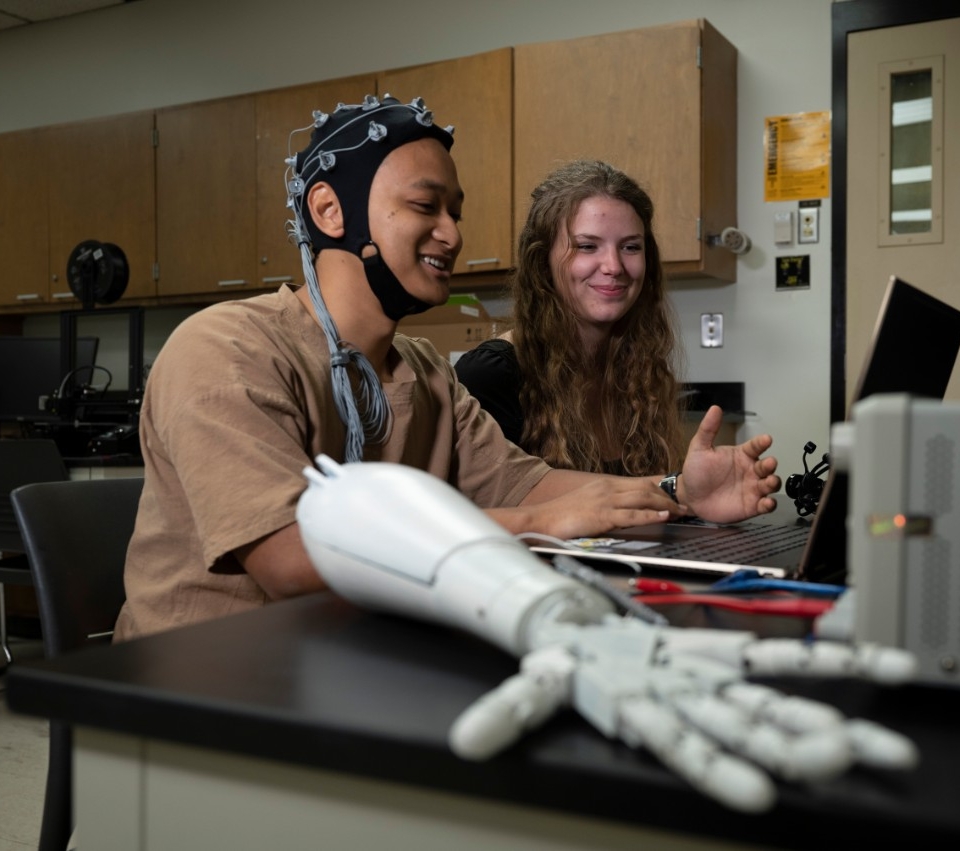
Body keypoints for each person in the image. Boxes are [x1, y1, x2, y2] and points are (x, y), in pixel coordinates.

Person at [113, 95, 780, 641]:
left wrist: (677, 492)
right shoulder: (225, 348)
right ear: (328, 209)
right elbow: (292, 559)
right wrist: (537, 525)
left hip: (348, 661)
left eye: (454, 211)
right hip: (203, 688)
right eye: (426, 206)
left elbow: (532, 486)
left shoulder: (423, 368)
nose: (452, 233)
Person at [455, 160, 684, 476]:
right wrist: (675, 489)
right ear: (542, 260)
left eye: (631, 247)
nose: (614, 266)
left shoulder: (639, 372)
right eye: (588, 246)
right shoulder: (491, 376)